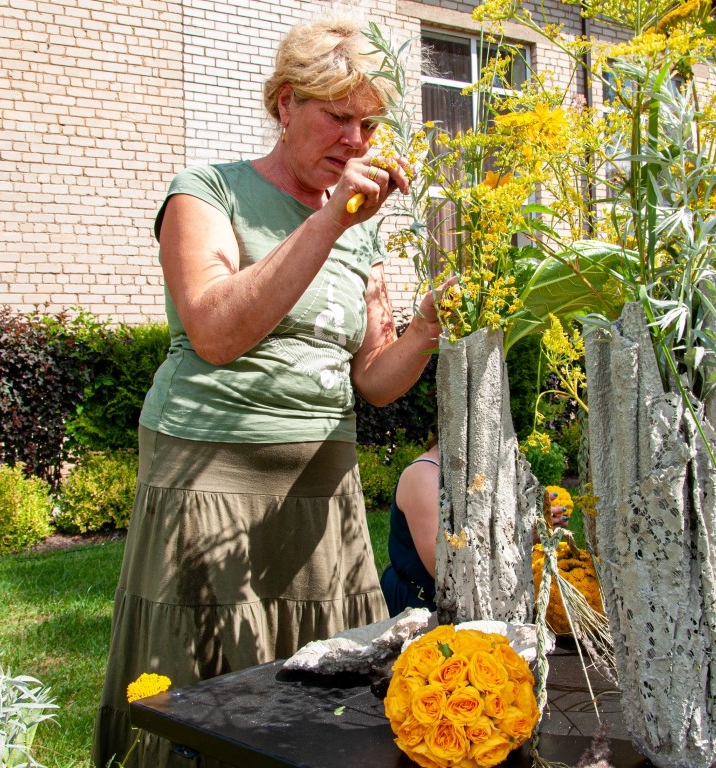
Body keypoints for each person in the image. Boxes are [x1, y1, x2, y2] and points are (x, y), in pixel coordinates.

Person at [92, 12, 447, 768]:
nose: (356, 142)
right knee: (208, 699)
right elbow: (218, 331)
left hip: (324, 490)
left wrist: (426, 325)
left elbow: (373, 380)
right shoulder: (206, 193)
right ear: (285, 103)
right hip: (211, 478)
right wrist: (329, 222)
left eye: (370, 126)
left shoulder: (362, 230)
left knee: (329, 699)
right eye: (339, 118)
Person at [380, 438, 570, 616]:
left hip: (475, 602)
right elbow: (447, 573)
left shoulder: (485, 470)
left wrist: (532, 535)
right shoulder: (424, 476)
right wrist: (517, 540)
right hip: (422, 609)